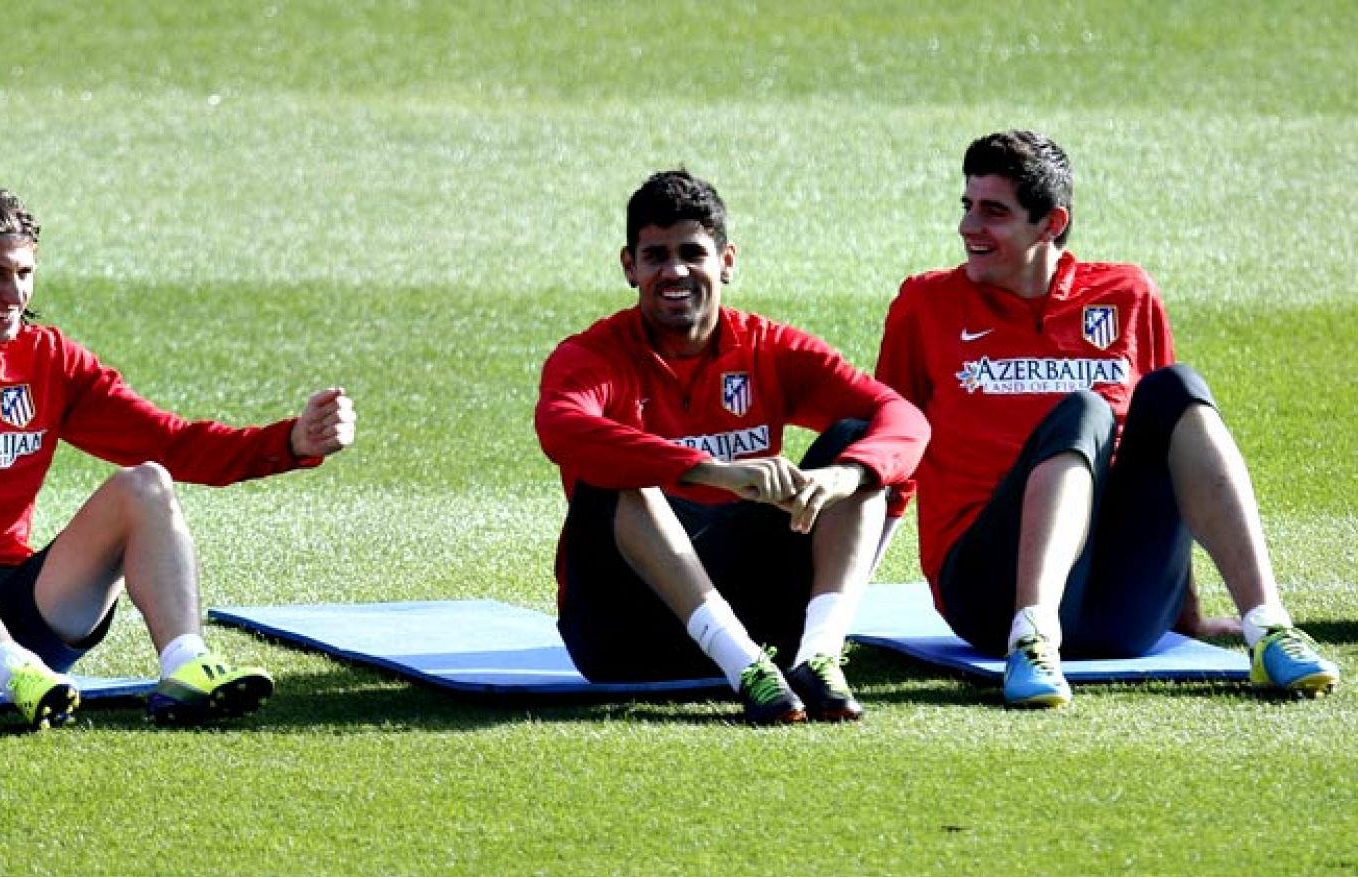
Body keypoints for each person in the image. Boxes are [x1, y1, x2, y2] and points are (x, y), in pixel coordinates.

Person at [0, 188, 357, 729]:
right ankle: (12, 670)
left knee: (147, 484)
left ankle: (186, 665)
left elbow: (173, 443)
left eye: (24, 274)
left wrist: (290, 443)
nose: (14, 295)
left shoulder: (49, 359)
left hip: (20, 608)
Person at [874, 131, 1340, 707]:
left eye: (993, 211)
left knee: (1179, 388)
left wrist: (1183, 614)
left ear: (1051, 222)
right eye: (966, 206)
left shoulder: (1126, 293)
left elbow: (1172, 458)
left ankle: (1269, 629)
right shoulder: (925, 305)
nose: (969, 227)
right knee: (1084, 410)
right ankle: (1033, 640)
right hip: (986, 596)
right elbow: (890, 456)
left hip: (1121, 608)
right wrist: (837, 607)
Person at [534, 170, 929, 726]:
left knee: (858, 444)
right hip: (626, 638)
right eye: (655, 256)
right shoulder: (592, 356)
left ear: (727, 261)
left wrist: (844, 477)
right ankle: (745, 668)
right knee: (618, 470)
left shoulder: (769, 347)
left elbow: (906, 420)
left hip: (769, 619)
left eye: (692, 253)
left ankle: (818, 656)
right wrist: (710, 470)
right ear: (630, 267)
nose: (674, 272)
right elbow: (561, 428)